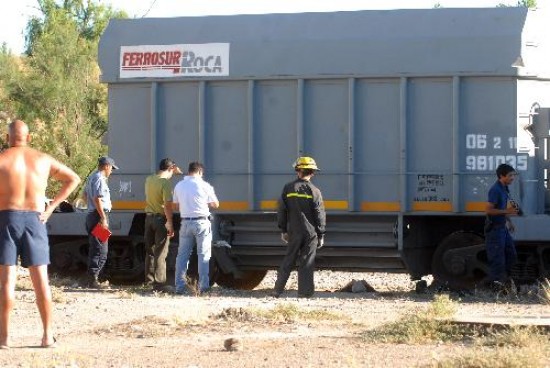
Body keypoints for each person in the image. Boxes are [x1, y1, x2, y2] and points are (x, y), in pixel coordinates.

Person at [0, 120, 80, 348]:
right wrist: (52, 206)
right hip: (35, 219)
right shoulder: (43, 159)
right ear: (29, 138)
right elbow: (73, 178)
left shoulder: (2, 159)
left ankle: (4, 338)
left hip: (7, 218)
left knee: (7, 282)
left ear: (7, 138)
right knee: (41, 281)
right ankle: (47, 335)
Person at [271, 156, 326, 298]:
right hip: (310, 233)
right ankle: (305, 293)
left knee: (288, 260)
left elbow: (281, 210)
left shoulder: (288, 188)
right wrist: (321, 234)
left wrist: (283, 229)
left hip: (294, 231)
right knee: (307, 262)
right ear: (312, 173)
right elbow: (319, 214)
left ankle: (277, 290)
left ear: (298, 171)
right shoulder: (315, 191)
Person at [172, 161, 219, 294]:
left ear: (189, 171)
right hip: (201, 223)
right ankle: (203, 287)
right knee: (203, 255)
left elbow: (175, 206)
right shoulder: (205, 186)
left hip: (185, 223)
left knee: (182, 256)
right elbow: (216, 204)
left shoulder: (179, 185)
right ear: (199, 172)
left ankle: (179, 287)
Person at [144, 158, 181, 292]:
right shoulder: (165, 183)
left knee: (150, 252)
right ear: (171, 169)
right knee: (161, 252)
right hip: (160, 219)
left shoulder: (149, 179)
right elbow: (167, 204)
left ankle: (149, 281)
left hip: (148, 218)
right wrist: (170, 223)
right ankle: (160, 284)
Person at [84, 156, 118, 289]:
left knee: (95, 248)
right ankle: (93, 280)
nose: (112, 171)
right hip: (99, 216)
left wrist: (90, 208)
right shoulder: (99, 179)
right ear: (107, 166)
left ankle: (91, 279)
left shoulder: (91, 177)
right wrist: (103, 218)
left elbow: (85, 195)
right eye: (112, 168)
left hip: (92, 215)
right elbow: (97, 199)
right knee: (101, 250)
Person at [484, 163, 519, 292]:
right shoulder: (495, 190)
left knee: (511, 255)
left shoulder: (504, 188)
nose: (512, 178)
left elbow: (503, 209)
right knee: (497, 260)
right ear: (501, 176)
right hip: (495, 230)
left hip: (502, 229)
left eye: (513, 175)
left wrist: (509, 221)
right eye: (510, 175)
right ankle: (495, 289)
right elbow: (489, 210)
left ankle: (504, 282)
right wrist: (507, 211)